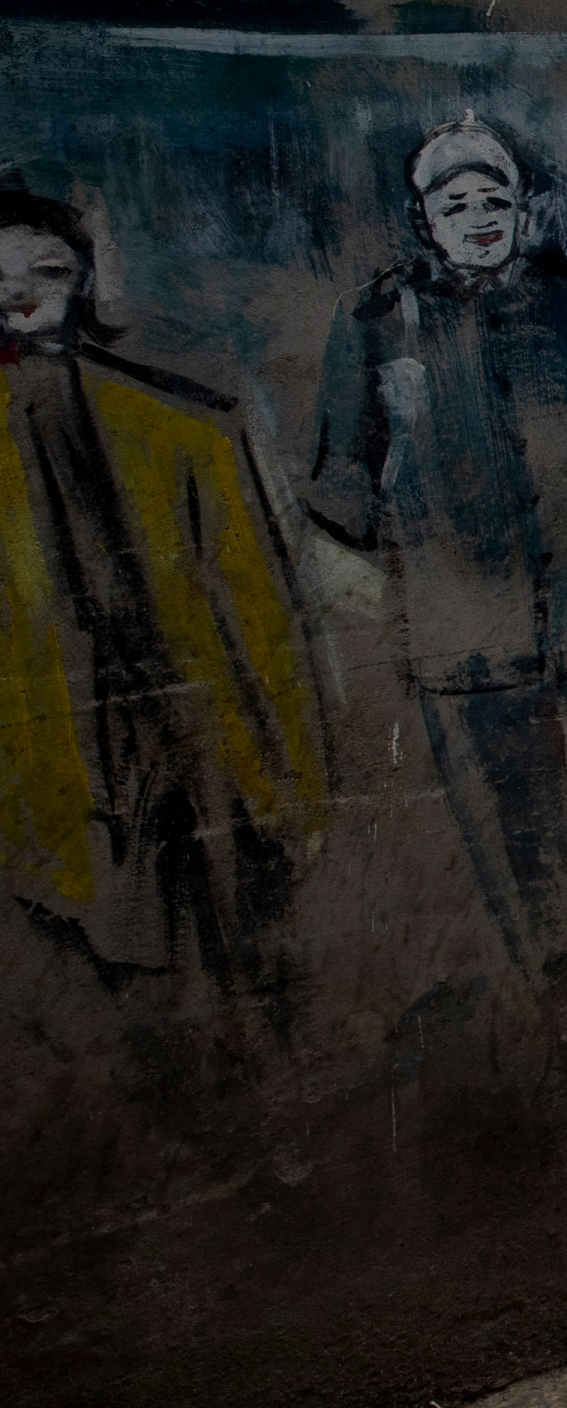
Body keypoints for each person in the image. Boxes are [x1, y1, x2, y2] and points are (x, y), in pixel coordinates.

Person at [308, 115, 567, 973]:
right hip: (467, 643)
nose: (479, 217)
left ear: (519, 212)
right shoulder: (373, 321)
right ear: (424, 220)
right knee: (523, 846)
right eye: (457, 203)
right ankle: (562, 1000)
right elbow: (341, 488)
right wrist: (419, 528)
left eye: (496, 201)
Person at [2, 188, 324, 986]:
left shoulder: (175, 427)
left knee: (220, 959)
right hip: (48, 758)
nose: (19, 292)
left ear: (82, 277)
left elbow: (259, 619)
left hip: (182, 740)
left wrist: (297, 786)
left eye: (43, 267)